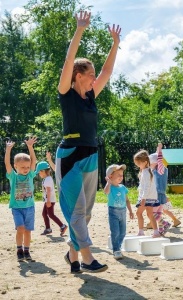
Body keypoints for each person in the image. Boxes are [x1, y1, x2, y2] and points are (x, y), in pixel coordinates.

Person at [55, 11, 121, 273]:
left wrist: (115, 44)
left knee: (86, 212)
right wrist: (79, 30)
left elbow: (107, 70)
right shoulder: (66, 93)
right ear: (78, 75)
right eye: (90, 73)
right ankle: (88, 258)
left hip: (91, 155)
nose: (95, 77)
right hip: (69, 156)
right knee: (77, 209)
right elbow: (68, 61)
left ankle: (72, 257)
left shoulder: (91, 95)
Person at [5, 137, 37, 261]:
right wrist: (8, 150)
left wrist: (30, 147)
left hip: (29, 207)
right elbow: (7, 164)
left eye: (27, 167)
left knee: (28, 231)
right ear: (16, 166)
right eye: (22, 167)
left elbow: (33, 161)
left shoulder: (30, 175)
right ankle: (19, 249)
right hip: (17, 208)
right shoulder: (13, 176)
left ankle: (27, 251)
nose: (26, 169)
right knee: (20, 228)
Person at [104, 164, 134, 259]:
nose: (121, 177)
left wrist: (130, 211)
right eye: (119, 175)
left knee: (123, 232)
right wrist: (108, 183)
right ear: (110, 176)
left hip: (123, 211)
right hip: (113, 212)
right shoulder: (110, 187)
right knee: (115, 232)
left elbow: (127, 200)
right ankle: (116, 250)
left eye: (122, 175)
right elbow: (106, 192)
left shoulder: (123, 187)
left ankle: (118, 247)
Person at [36, 161, 68, 236]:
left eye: (39, 172)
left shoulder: (47, 179)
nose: (39, 174)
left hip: (49, 200)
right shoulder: (47, 179)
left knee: (50, 214)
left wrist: (48, 201)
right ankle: (48, 228)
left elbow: (48, 190)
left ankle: (62, 226)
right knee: (44, 214)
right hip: (48, 200)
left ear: (43, 171)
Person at [133, 149, 160, 238]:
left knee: (138, 213)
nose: (137, 165)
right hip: (151, 196)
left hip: (146, 197)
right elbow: (145, 185)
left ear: (145, 162)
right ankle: (156, 232)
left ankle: (141, 231)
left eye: (138, 163)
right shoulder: (147, 171)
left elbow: (147, 186)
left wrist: (143, 198)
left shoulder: (146, 172)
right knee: (149, 214)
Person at [148, 143, 173, 235]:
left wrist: (159, 150)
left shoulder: (160, 169)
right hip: (160, 194)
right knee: (158, 213)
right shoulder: (155, 170)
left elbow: (159, 159)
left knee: (152, 212)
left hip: (157, 195)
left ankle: (164, 223)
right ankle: (161, 229)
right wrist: (157, 151)